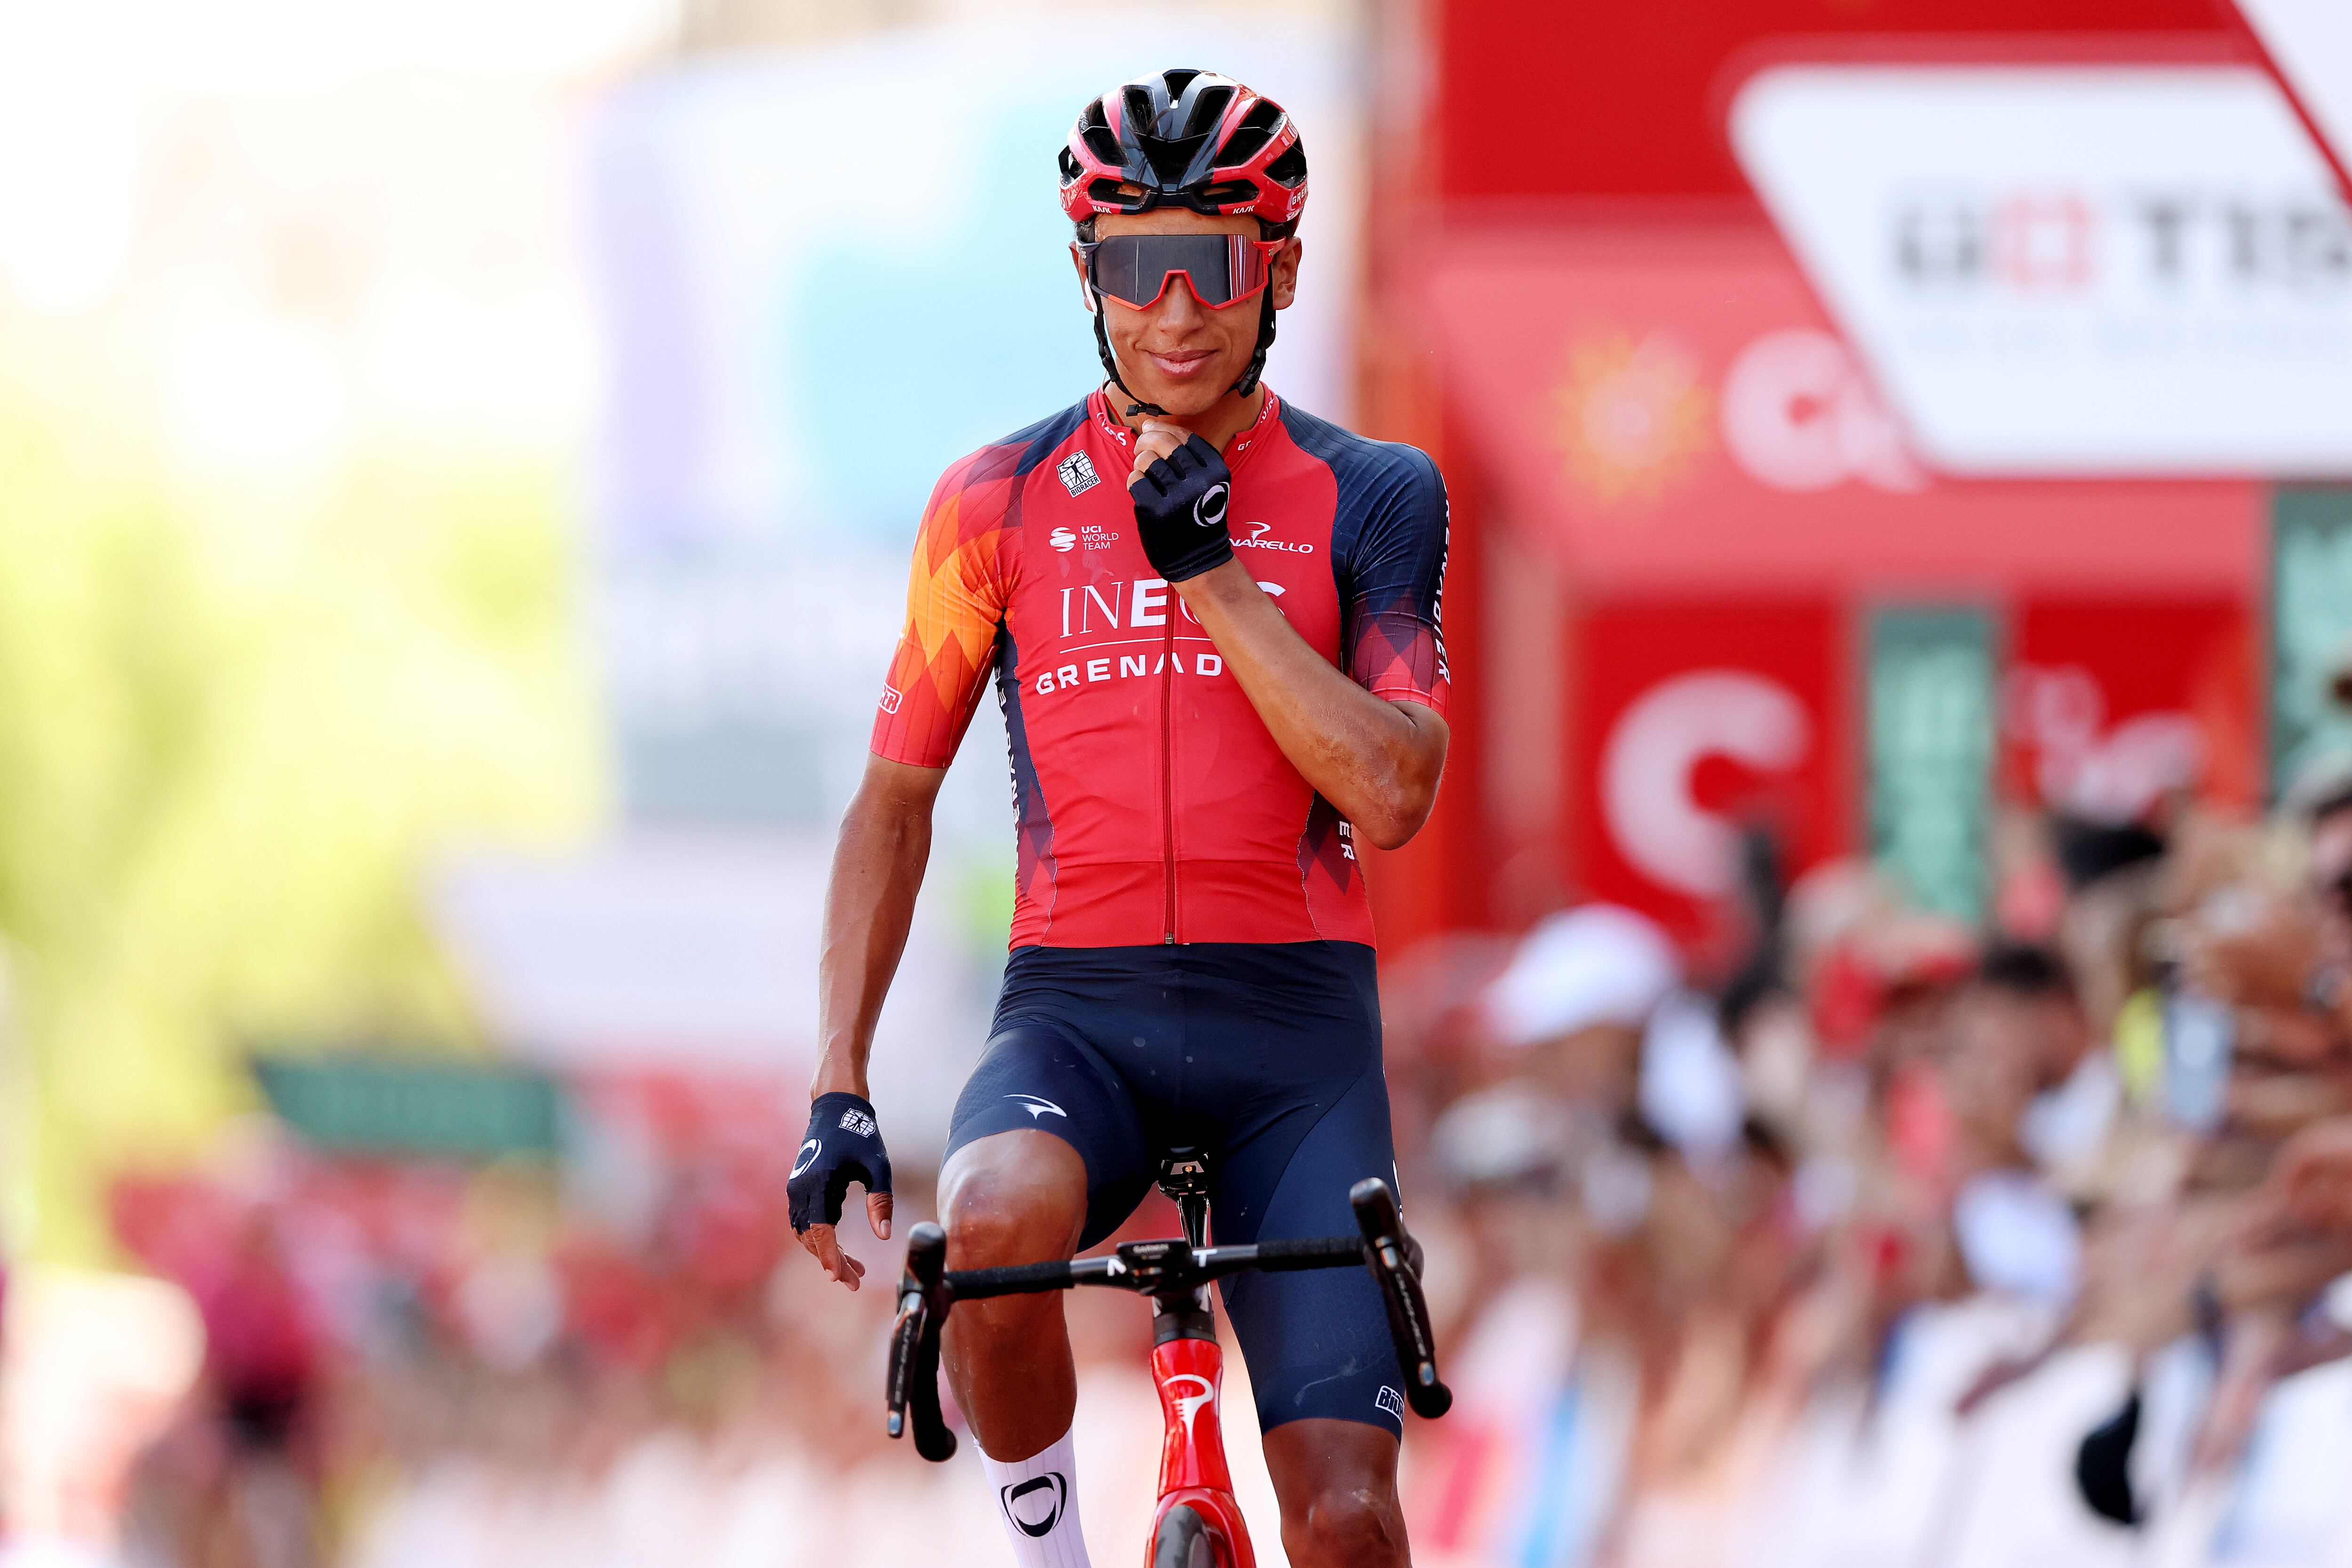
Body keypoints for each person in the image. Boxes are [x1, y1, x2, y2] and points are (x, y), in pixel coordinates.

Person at [787, 70, 1450, 1568]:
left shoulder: (1372, 492)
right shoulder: (994, 502)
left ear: (1277, 267)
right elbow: (896, 801)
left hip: (1296, 1043)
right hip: (1074, 1018)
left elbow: (1397, 791)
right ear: (1085, 273)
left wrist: (1210, 573)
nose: (1170, 309)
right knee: (992, 1211)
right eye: (1128, 263)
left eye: (1207, 262)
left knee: (1346, 1519)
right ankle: (1050, 1550)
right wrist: (839, 1080)